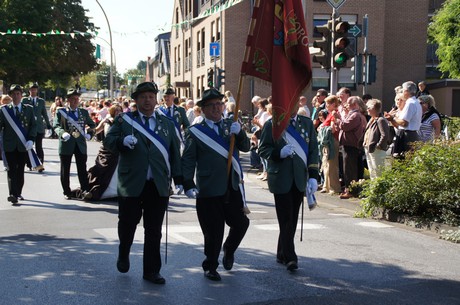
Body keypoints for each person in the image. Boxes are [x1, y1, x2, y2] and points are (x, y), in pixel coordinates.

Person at [104, 82, 182, 285]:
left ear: (156, 99)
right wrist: (122, 142)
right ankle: (124, 251)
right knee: (128, 223)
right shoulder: (124, 120)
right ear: (136, 100)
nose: (147, 100)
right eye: (143, 97)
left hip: (157, 183)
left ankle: (151, 271)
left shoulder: (166, 123)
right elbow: (108, 142)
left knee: (154, 229)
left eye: (151, 96)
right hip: (131, 182)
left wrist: (180, 179)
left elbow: (174, 153)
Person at [182, 88, 250, 282]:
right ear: (203, 109)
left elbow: (245, 148)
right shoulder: (196, 132)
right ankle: (210, 265)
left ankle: (229, 249)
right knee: (213, 230)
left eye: (219, 104)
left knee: (241, 223)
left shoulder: (232, 124)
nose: (216, 108)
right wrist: (187, 183)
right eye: (211, 105)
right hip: (209, 187)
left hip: (232, 185)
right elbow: (188, 159)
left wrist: (241, 134)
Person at [258, 102, 319, 272]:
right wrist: (278, 153)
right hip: (281, 177)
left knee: (291, 217)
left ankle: (281, 252)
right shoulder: (272, 124)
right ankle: (290, 257)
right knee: (285, 219)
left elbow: (314, 149)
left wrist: (314, 176)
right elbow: (262, 149)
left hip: (299, 178)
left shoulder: (306, 123)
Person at [53, 88, 96, 200]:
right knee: (65, 169)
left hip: (80, 144)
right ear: (68, 100)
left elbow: (92, 125)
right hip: (67, 143)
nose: (75, 101)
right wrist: (62, 133)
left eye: (77, 99)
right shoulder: (61, 112)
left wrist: (89, 134)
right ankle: (67, 191)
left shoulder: (83, 112)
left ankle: (85, 190)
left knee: (82, 169)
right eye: (73, 99)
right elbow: (56, 126)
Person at [0, 85, 37, 205]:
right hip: (9, 145)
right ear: (10, 96)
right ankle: (12, 194)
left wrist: (31, 139)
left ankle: (18, 192)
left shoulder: (29, 109)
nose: (16, 96)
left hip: (23, 145)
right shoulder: (4, 110)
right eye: (14, 94)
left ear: (21, 95)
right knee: (11, 169)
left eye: (18, 94)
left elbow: (33, 126)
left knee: (20, 170)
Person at [84, 104, 123, 201]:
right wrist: (87, 132)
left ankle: (116, 192)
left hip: (117, 150)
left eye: (120, 110)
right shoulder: (106, 121)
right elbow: (97, 130)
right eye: (116, 111)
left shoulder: (123, 123)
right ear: (112, 112)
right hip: (106, 150)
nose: (118, 112)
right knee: (102, 169)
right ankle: (102, 192)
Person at [333, 96, 366, 199]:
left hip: (351, 145)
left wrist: (338, 119)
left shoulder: (355, 115)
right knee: (347, 167)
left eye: (348, 103)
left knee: (349, 168)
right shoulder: (352, 114)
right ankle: (350, 189)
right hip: (348, 144)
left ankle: (351, 190)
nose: (346, 105)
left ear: (354, 104)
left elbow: (345, 126)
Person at [384, 81, 422, 155]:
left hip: (407, 135)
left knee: (402, 160)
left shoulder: (410, 103)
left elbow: (404, 123)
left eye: (403, 90)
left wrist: (392, 119)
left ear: (406, 91)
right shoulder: (416, 102)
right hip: (412, 134)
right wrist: (392, 120)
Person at [22, 82, 51, 172]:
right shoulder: (25, 100)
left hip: (38, 127)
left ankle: (40, 164)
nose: (33, 91)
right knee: (28, 146)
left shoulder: (41, 101)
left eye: (34, 89)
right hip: (29, 127)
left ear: (37, 90)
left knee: (39, 146)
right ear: (29, 90)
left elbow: (44, 114)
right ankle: (30, 164)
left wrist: (48, 126)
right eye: (31, 89)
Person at [317, 96, 341, 194]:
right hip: (327, 142)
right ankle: (326, 186)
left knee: (331, 165)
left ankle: (334, 188)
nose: (326, 105)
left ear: (333, 104)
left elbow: (333, 129)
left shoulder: (334, 114)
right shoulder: (330, 113)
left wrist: (322, 128)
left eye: (328, 103)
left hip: (331, 141)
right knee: (326, 164)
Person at [363, 99, 390, 179]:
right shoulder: (372, 119)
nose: (367, 109)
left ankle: (379, 189)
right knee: (372, 170)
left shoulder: (381, 120)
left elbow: (384, 135)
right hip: (369, 148)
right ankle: (374, 188)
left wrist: (378, 146)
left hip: (376, 149)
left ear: (374, 108)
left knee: (378, 170)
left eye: (369, 108)